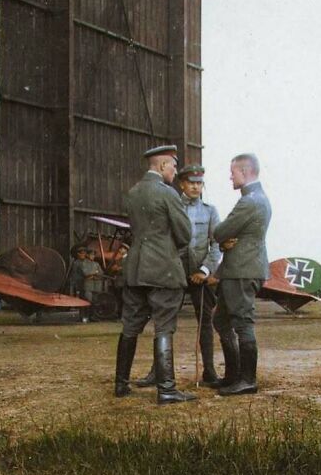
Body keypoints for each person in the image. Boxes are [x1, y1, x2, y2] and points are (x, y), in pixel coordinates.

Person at [114, 144, 195, 405]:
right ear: (162, 166)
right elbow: (185, 235)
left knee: (130, 327)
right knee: (164, 327)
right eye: (172, 166)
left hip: (135, 270)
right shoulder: (168, 194)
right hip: (163, 270)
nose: (174, 171)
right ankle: (167, 390)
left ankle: (121, 384)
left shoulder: (134, 192)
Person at [136, 163, 222, 387]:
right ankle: (158, 372)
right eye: (191, 183)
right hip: (173, 272)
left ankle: (210, 372)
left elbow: (216, 245)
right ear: (182, 184)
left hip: (200, 275)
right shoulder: (171, 205)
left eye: (199, 183)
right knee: (164, 322)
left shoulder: (210, 211)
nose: (195, 187)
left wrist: (204, 271)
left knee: (205, 322)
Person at [211, 153, 271, 396]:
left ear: (245, 173)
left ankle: (247, 379)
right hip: (240, 269)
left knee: (242, 322)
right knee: (221, 320)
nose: (230, 176)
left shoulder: (249, 201)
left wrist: (223, 239)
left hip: (242, 271)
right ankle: (234, 375)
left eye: (233, 172)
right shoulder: (257, 198)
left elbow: (220, 231)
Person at [80, 247, 103, 321]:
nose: (93, 256)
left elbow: (101, 273)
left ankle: (93, 317)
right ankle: (85, 317)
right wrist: (94, 274)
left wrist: (93, 275)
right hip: (88, 286)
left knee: (95, 301)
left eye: (93, 255)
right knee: (87, 301)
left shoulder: (96, 264)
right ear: (88, 255)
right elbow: (86, 273)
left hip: (96, 285)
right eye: (91, 255)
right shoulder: (84, 263)